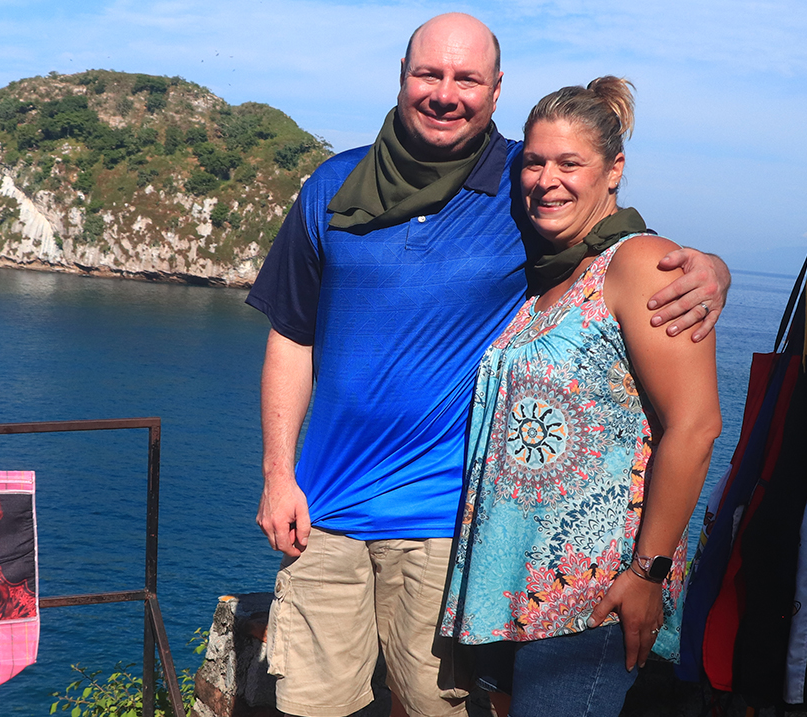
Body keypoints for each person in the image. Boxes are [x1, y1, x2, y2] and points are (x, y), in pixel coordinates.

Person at [245, 13, 730, 717]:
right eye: (429, 74)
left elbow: (614, 242)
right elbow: (291, 336)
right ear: (403, 77)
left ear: (496, 89)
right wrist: (277, 474)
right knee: (311, 707)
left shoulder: (519, 182)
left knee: (439, 707)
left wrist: (712, 270)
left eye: (466, 78)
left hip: (448, 528)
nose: (446, 93)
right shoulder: (332, 186)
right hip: (325, 516)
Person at [439, 77, 721, 717]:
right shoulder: (548, 279)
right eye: (535, 162)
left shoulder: (639, 262)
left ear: (613, 169)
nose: (547, 179)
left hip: (591, 600)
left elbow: (697, 425)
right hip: (514, 599)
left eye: (570, 163)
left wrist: (646, 574)